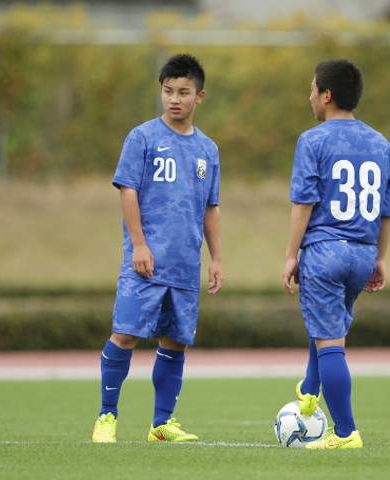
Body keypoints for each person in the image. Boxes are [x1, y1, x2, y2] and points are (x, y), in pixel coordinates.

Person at [92, 53, 223, 443]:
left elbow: (211, 207)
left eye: (183, 91)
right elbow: (128, 191)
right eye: (168, 91)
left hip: (185, 265)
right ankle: (106, 417)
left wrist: (216, 258)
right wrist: (139, 245)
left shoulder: (208, 150)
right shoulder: (143, 137)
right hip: (146, 261)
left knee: (176, 343)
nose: (174, 99)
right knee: (125, 334)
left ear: (200, 96)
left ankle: (161, 424)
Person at [282, 59, 390, 449]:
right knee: (328, 328)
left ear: (327, 95)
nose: (309, 95)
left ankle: (346, 433)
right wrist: (379, 259)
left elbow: (303, 202)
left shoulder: (312, 140)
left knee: (331, 344)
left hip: (325, 251)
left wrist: (290, 254)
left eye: (312, 88)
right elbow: (387, 208)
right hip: (363, 254)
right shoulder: (381, 143)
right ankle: (310, 390)